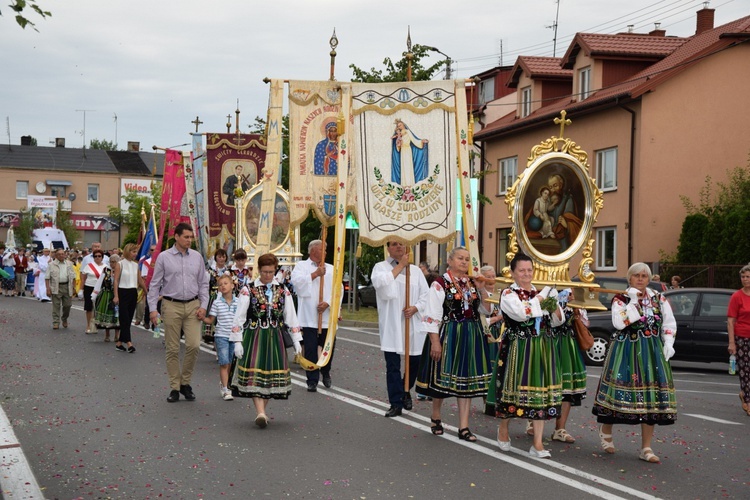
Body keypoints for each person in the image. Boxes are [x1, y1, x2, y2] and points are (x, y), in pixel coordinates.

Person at [592, 262, 677, 463]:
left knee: (650, 399)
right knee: (618, 393)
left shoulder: (659, 298)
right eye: (636, 275)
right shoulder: (620, 299)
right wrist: (632, 303)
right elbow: (619, 323)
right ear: (629, 278)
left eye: (644, 276)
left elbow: (669, 323)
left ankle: (646, 447)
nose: (640, 279)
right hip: (626, 350)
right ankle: (606, 428)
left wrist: (669, 342)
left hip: (651, 352)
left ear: (648, 279)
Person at [415, 247, 493, 441]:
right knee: (442, 378)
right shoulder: (440, 284)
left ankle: (464, 427)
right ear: (449, 261)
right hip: (449, 333)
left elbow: (486, 309)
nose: (464, 262)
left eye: (467, 259)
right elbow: (432, 314)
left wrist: (482, 288)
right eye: (460, 258)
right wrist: (435, 342)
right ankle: (436, 415)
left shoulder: (472, 283)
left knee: (466, 381)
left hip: (471, 334)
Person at [495, 253, 564, 459]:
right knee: (513, 390)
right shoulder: (508, 294)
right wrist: (542, 298)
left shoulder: (537, 292)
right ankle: (504, 427)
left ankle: (538, 443)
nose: (527, 274)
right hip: (519, 347)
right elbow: (521, 313)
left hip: (542, 346)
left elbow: (556, 321)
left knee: (540, 393)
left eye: (529, 270)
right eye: (522, 270)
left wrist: (555, 306)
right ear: (513, 273)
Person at [229, 253, 303, 427]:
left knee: (271, 379)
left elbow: (290, 316)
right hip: (254, 335)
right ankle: (261, 412)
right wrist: (237, 341)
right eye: (264, 272)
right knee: (255, 375)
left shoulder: (283, 291)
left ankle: (262, 411)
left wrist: (296, 339)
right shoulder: (248, 289)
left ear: (275, 270)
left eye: (270, 272)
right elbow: (239, 316)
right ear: (259, 270)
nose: (267, 275)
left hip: (275, 337)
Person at [148, 223, 209, 403]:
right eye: (186, 237)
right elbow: (154, 284)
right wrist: (153, 309)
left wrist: (203, 305)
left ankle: (185, 382)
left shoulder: (197, 257)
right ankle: (175, 387)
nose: (189, 240)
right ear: (176, 237)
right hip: (171, 304)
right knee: (172, 349)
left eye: (191, 237)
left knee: (194, 345)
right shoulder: (164, 257)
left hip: (193, 305)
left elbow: (203, 284)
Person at [372, 241, 429, 417]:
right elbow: (382, 287)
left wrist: (416, 307)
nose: (399, 247)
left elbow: (426, 295)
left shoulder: (416, 271)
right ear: (388, 247)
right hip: (392, 323)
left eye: (402, 244)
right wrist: (401, 266)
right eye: (395, 244)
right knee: (393, 365)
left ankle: (405, 388)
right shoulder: (380, 267)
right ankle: (396, 402)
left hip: (412, 322)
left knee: (415, 361)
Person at [290, 239, 342, 392]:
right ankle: (312, 379)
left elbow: (338, 290)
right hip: (309, 317)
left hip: (326, 316)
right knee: (311, 349)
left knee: (328, 347)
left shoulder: (332, 269)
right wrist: (315, 274)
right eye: (322, 249)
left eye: (326, 250)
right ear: (313, 251)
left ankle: (325, 372)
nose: (325, 252)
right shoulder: (301, 266)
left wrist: (328, 303)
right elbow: (296, 283)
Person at [549, 288, 588, 443]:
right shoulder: (545, 290)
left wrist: (576, 307)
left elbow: (585, 322)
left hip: (568, 344)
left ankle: (560, 428)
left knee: (567, 388)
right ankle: (532, 419)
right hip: (548, 342)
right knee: (544, 383)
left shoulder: (572, 293)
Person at [203, 274, 239, 401]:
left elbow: (242, 319)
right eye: (220, 284)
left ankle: (225, 383)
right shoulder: (217, 303)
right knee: (224, 363)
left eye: (226, 283)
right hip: (221, 336)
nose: (223, 286)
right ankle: (225, 389)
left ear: (232, 285)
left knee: (230, 362)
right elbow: (211, 320)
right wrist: (202, 317)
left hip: (234, 336)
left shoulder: (239, 302)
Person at [113, 243, 146, 353]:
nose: (135, 254)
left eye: (136, 252)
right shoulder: (120, 264)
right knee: (124, 318)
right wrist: (116, 295)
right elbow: (116, 280)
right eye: (133, 252)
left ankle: (119, 343)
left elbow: (140, 280)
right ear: (128, 251)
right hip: (123, 292)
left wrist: (147, 291)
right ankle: (129, 343)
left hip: (133, 292)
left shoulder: (136, 265)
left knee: (128, 319)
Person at [728, 264, 750, 417]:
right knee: (745, 369)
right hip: (742, 337)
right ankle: (747, 400)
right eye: (743, 277)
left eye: (748, 277)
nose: (745, 279)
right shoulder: (737, 296)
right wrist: (732, 343)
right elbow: (731, 321)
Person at [547, 173, 582, 251]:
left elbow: (571, 219)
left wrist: (566, 225)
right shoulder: (548, 200)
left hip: (562, 237)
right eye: (550, 187)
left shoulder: (567, 199)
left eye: (555, 185)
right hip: (549, 236)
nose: (553, 190)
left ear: (561, 185)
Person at [203, 248, 230, 344]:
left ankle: (219, 335)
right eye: (219, 257)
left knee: (222, 316)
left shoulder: (228, 271)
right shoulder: (210, 270)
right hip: (213, 295)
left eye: (223, 257)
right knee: (212, 313)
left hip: (224, 295)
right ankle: (208, 334)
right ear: (216, 258)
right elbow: (206, 284)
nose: (221, 259)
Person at [45, 248, 77, 330]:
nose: (61, 255)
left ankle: (64, 318)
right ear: (56, 255)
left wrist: (74, 287)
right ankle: (56, 322)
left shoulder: (69, 264)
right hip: (56, 286)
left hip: (67, 286)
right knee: (56, 305)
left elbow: (73, 277)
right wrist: (48, 289)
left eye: (62, 254)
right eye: (59, 254)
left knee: (68, 305)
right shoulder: (51, 265)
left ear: (65, 254)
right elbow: (47, 277)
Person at [391, 119, 429, 186]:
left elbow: (413, 140)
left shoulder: (407, 132)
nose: (399, 126)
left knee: (408, 166)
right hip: (403, 151)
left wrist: (421, 141)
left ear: (403, 124)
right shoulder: (399, 135)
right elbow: (398, 147)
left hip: (408, 150)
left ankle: (409, 184)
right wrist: (398, 144)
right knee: (403, 167)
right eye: (398, 126)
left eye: (400, 125)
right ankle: (404, 184)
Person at [92, 255, 120, 342]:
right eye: (111, 262)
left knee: (117, 315)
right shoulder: (106, 270)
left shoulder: (121, 270)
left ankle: (117, 336)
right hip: (107, 294)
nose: (112, 264)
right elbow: (100, 281)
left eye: (114, 262)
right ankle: (107, 335)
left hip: (118, 294)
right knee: (106, 314)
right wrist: (95, 293)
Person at [81, 250, 106, 334]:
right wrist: (81, 289)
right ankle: (88, 325)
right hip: (89, 287)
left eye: (99, 256)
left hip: (100, 288)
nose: (97, 258)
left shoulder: (106, 267)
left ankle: (95, 324)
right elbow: (83, 278)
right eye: (95, 256)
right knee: (89, 307)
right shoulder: (89, 266)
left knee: (98, 308)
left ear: (102, 257)